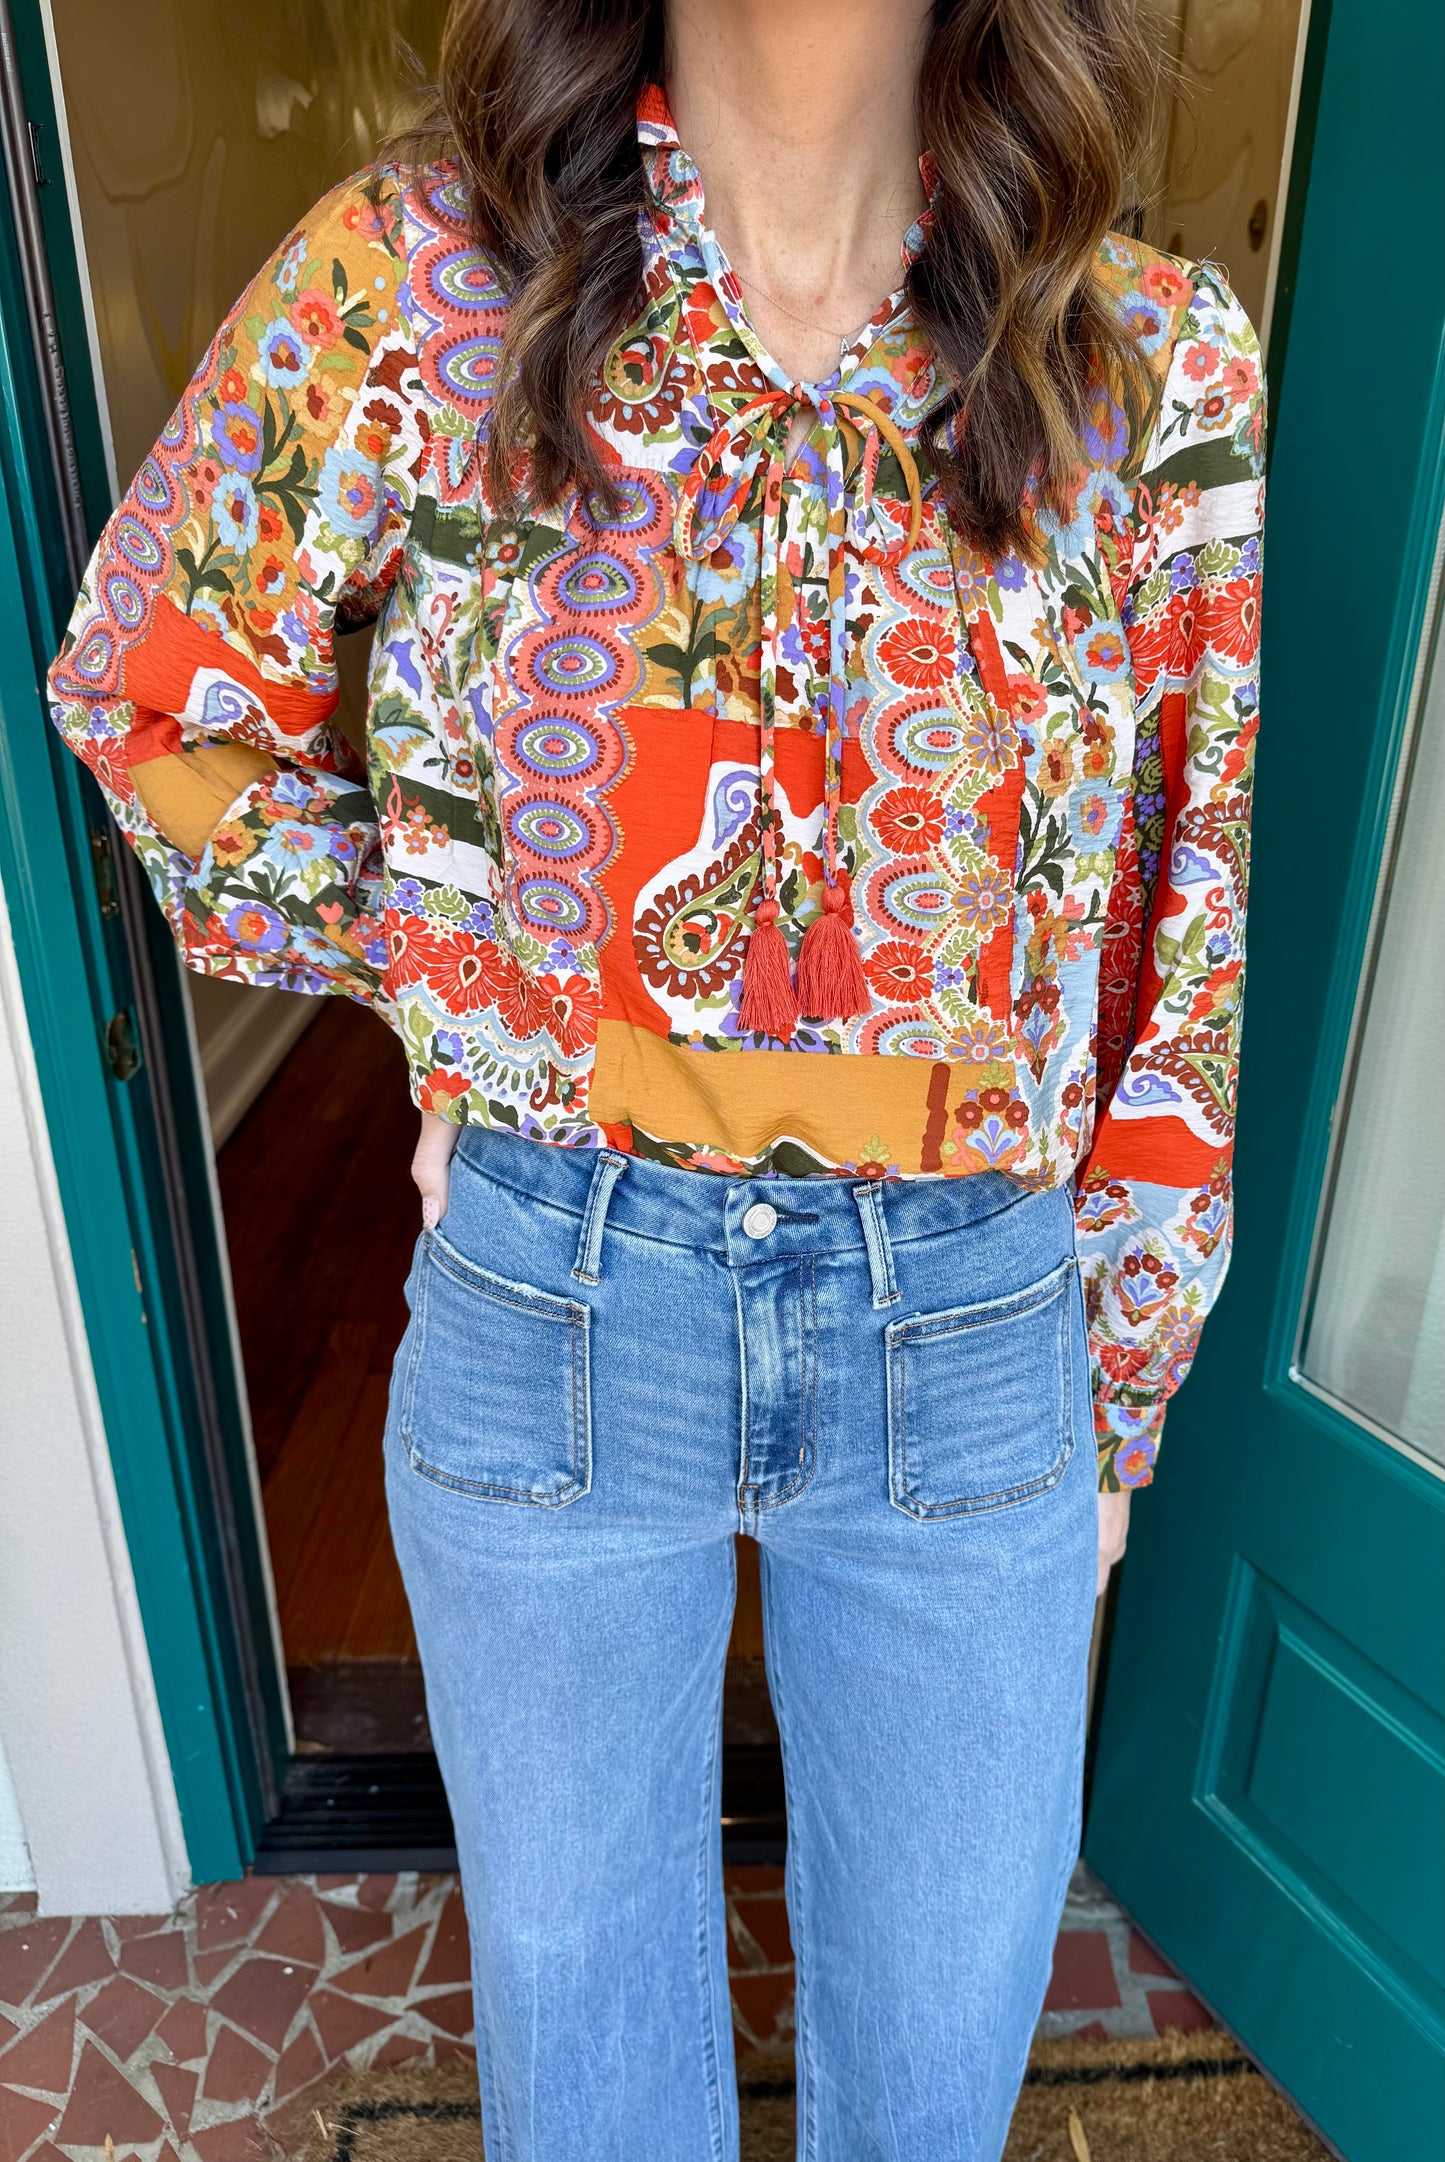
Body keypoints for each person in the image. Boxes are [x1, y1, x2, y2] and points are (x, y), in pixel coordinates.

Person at [48, 0, 1264, 2152]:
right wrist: (457, 996)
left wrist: (1127, 1377)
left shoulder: (1148, 361)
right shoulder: (411, 288)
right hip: (557, 1287)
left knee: (944, 2047)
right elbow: (151, 694)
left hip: (978, 1317)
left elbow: (1191, 914)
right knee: (587, 2061)